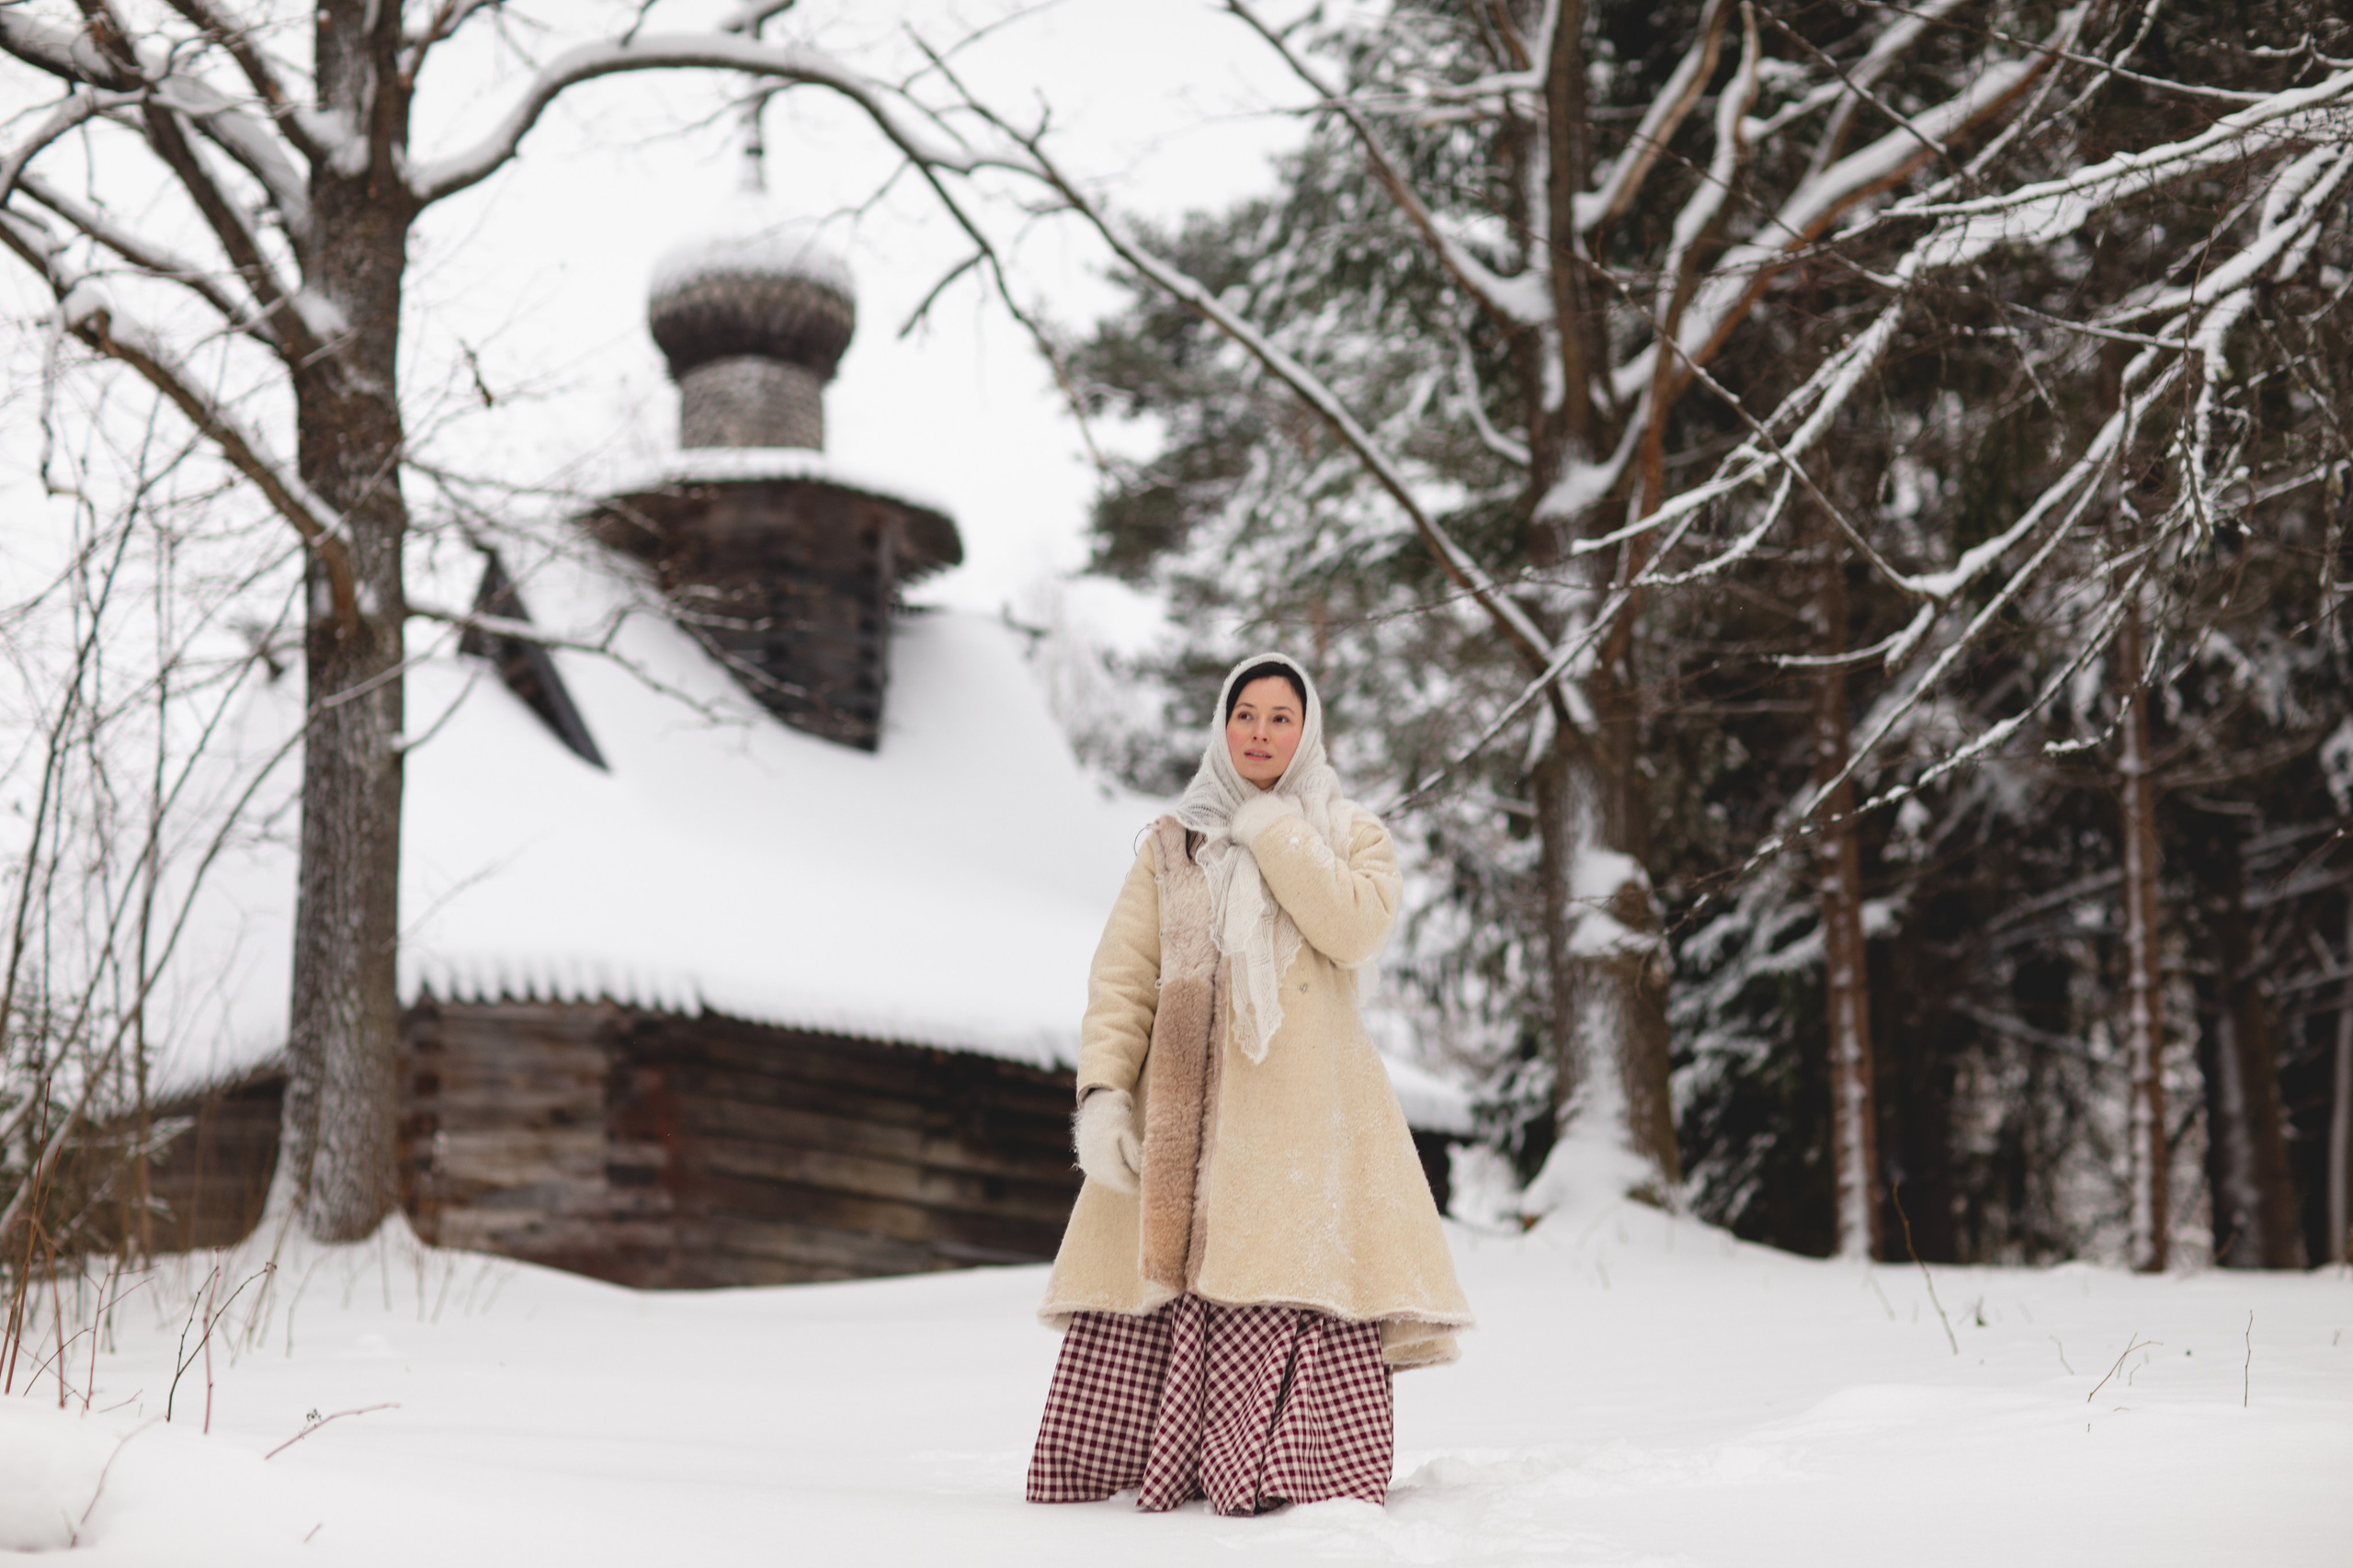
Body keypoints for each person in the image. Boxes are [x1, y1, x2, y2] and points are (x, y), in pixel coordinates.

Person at [1025, 651, 1472, 1517]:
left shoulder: (1350, 833)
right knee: (1176, 1271)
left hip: (1310, 1123)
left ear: (1308, 732)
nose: (1260, 733)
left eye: (1280, 717)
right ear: (1221, 727)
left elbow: (1354, 927)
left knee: (1297, 1270)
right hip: (1188, 1114)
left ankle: (1292, 1475)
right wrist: (1106, 1096)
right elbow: (1121, 981)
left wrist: (1270, 829)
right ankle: (1155, 1465)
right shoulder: (1171, 847)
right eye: (1245, 715)